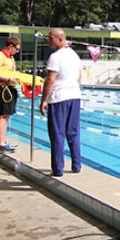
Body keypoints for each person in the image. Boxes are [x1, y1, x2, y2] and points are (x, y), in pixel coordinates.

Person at [40, 28, 83, 177]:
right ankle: (76, 166)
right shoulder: (74, 55)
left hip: (59, 99)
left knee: (57, 134)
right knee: (73, 133)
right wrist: (73, 89)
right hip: (74, 97)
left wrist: (43, 100)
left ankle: (58, 169)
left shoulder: (55, 57)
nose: (48, 41)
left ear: (58, 38)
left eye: (50, 38)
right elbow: (79, 77)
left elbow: (50, 80)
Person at [0, 37, 22, 153]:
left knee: (6, 115)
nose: (17, 51)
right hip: (3, 89)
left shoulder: (10, 58)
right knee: (2, 116)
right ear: (10, 46)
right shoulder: (0, 56)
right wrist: (7, 79)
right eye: (17, 49)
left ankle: (2, 141)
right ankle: (0, 144)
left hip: (9, 88)